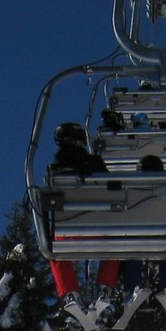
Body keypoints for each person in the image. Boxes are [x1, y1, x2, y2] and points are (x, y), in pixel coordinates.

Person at [46, 123, 122, 306]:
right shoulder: (95, 164)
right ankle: (106, 287)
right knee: (117, 243)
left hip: (67, 233)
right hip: (100, 231)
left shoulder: (55, 171)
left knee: (53, 250)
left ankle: (70, 292)